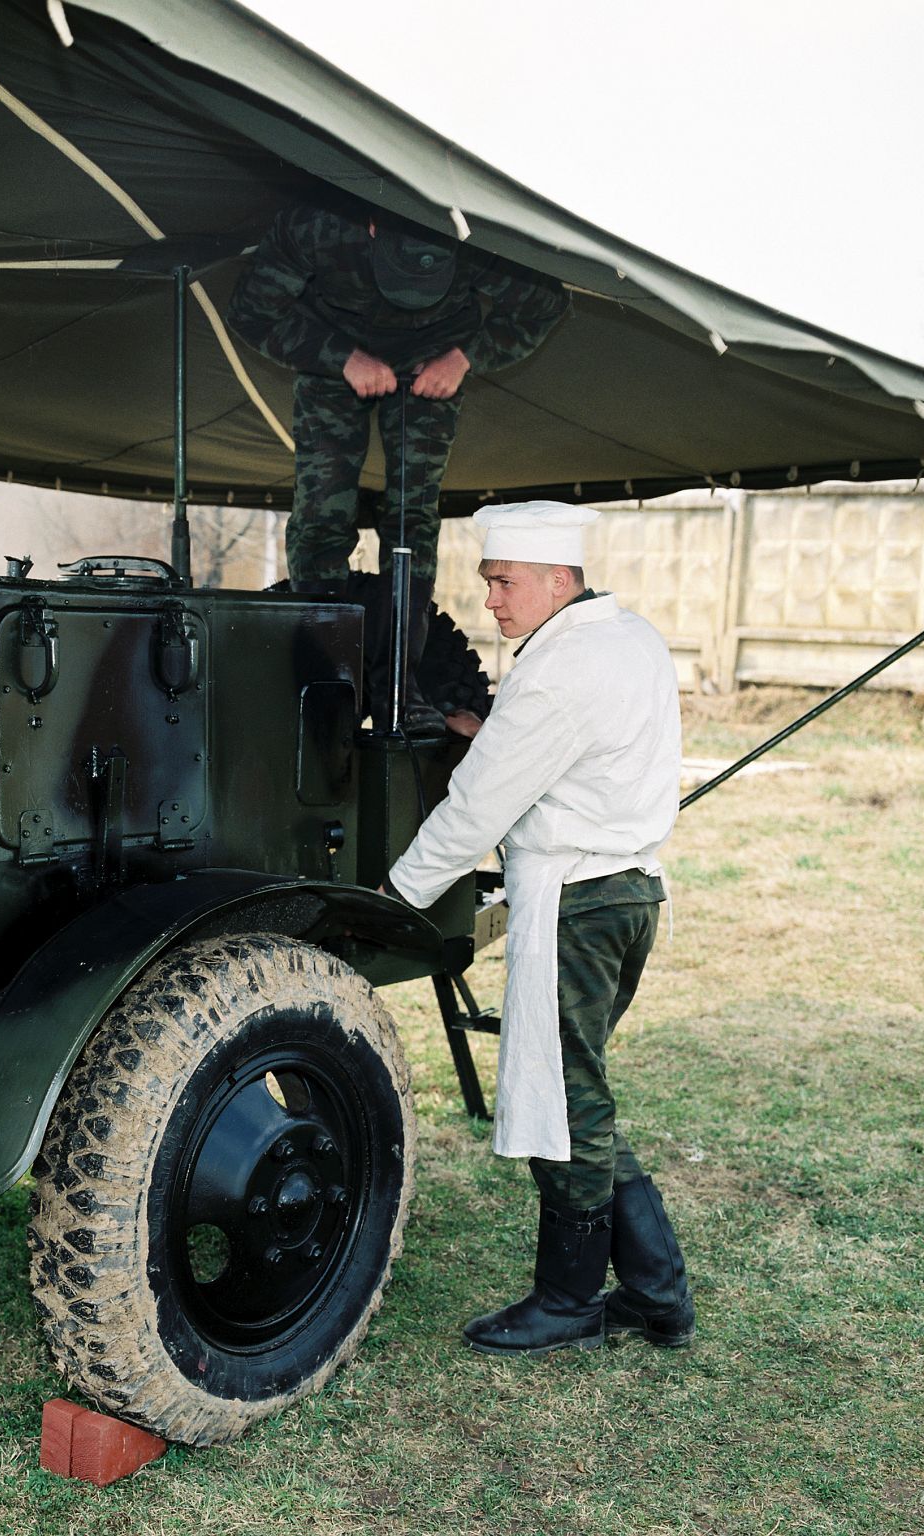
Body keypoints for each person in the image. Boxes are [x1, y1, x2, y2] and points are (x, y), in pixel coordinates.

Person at [383, 501, 695, 1356]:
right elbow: (577, 749)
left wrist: (398, 894)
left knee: (565, 1104)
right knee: (579, 1091)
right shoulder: (628, 637)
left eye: (504, 581)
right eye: (488, 582)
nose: (491, 600)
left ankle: (567, 1300)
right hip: (630, 894)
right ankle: (657, 1294)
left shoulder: (557, 669)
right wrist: (490, 730)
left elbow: (477, 801)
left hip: (576, 901)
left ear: (559, 579)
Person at [225, 202, 569, 734]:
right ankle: (322, 676)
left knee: (413, 519)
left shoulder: (475, 234)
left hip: (431, 362)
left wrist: (464, 357)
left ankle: (399, 686)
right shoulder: (315, 222)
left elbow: (546, 303)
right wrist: (341, 357)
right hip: (332, 355)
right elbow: (251, 310)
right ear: (371, 226)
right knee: (321, 515)